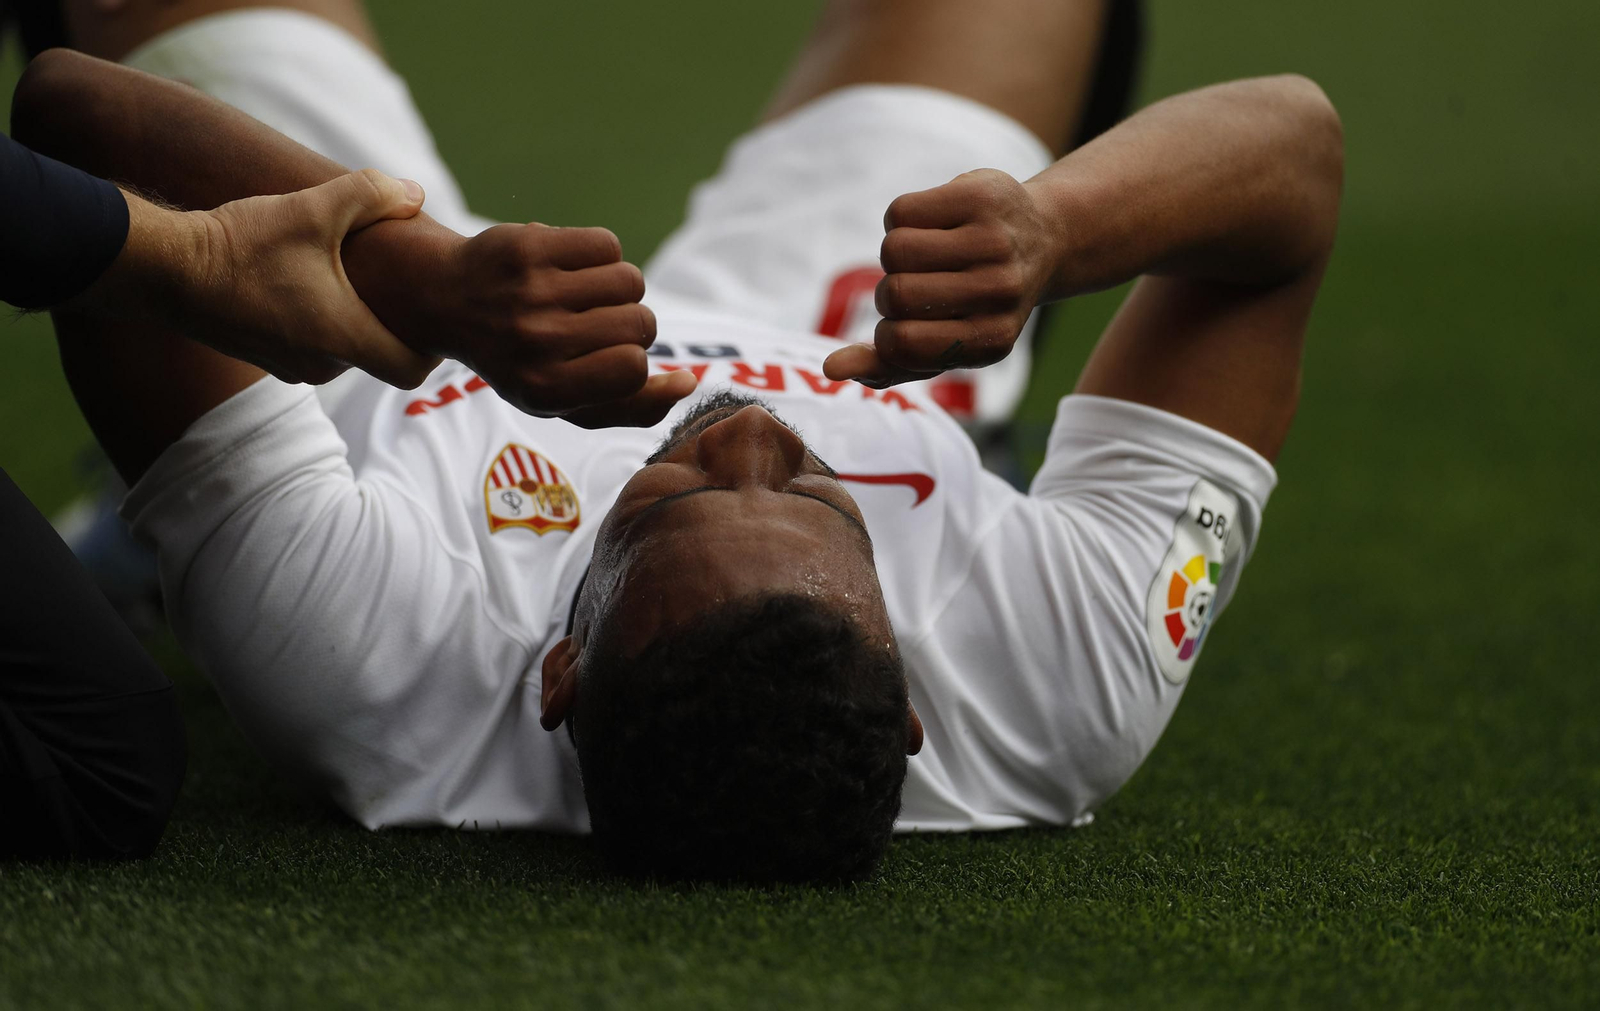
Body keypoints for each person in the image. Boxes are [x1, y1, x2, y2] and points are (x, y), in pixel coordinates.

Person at [18, 0, 1342, 881]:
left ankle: (164, 536)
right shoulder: (1053, 687)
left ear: (560, 672)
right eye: (825, 498)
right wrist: (1054, 233)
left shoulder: (377, 670)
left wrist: (419, 275)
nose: (748, 427)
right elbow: (1293, 154)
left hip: (396, 348)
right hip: (835, 322)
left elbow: (72, 122)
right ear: (916, 709)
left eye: (663, 493)